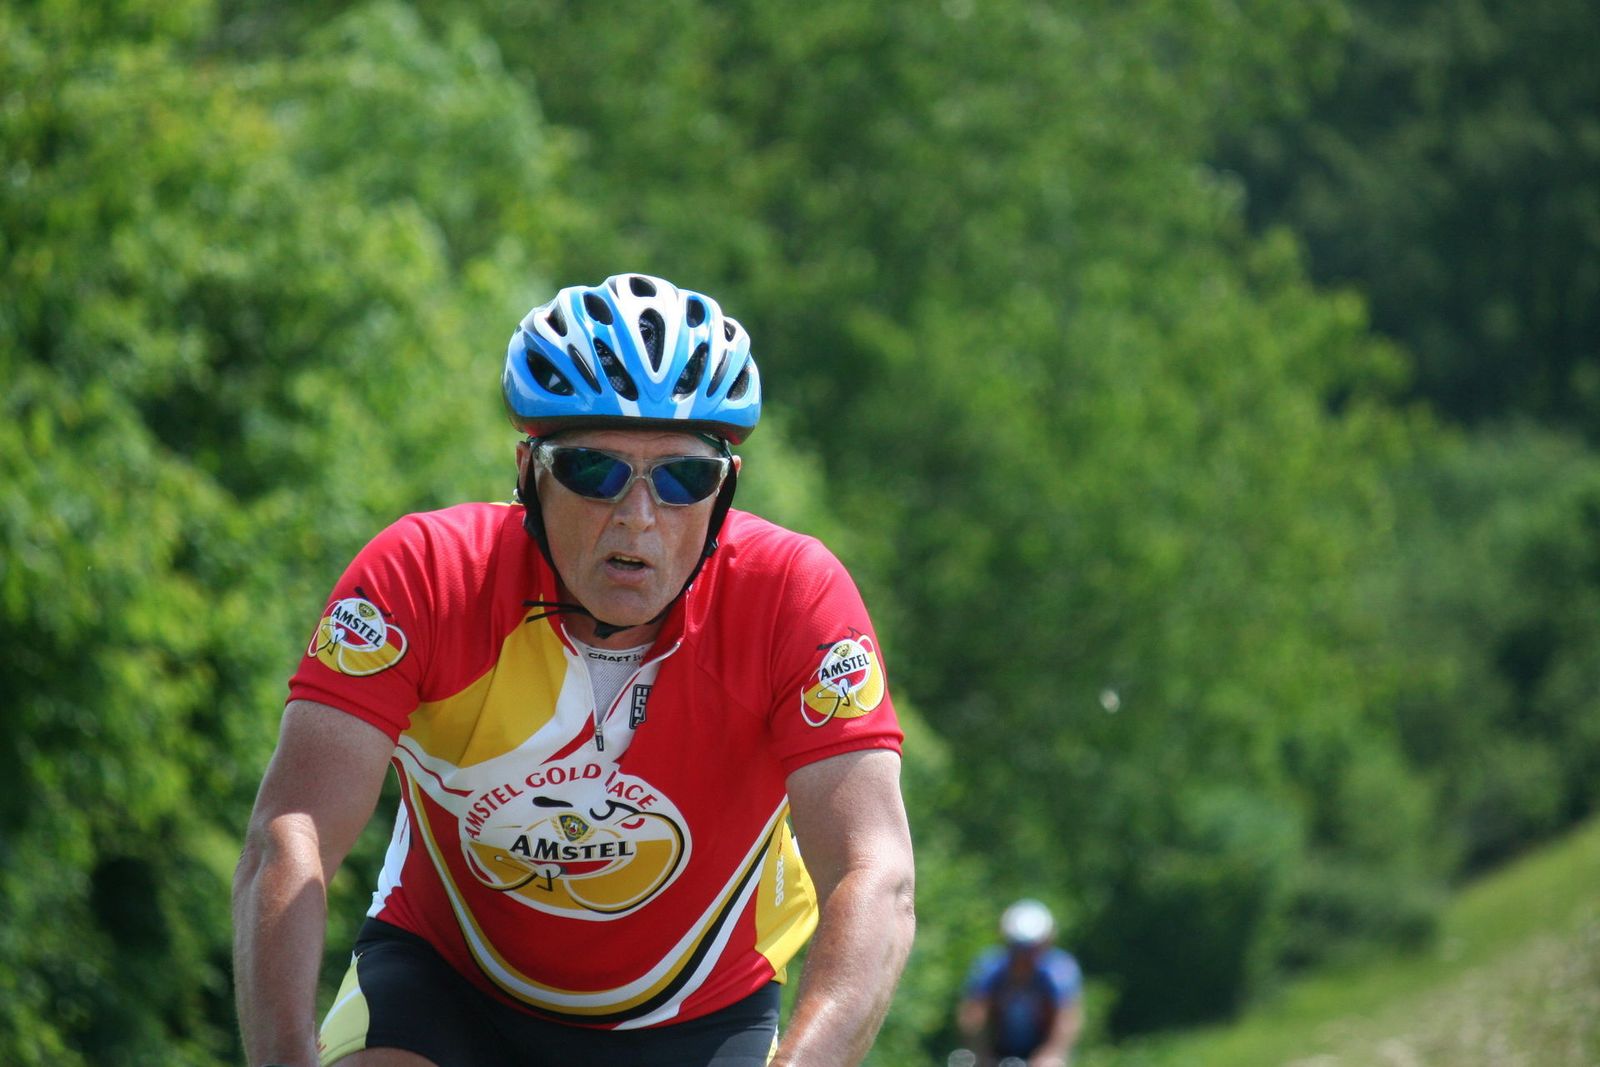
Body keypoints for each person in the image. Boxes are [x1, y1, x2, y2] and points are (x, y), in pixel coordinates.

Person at [232, 273, 916, 1067]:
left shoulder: (792, 599)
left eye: (684, 477)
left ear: (726, 490)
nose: (638, 515)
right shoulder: (425, 579)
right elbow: (292, 830)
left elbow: (874, 872)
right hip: (448, 980)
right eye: (594, 471)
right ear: (529, 472)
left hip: (697, 1011)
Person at [955, 900, 1083, 1067]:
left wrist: (1052, 1053)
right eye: (1018, 948)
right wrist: (980, 1052)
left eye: (1032, 949)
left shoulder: (1059, 970)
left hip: (1042, 1052)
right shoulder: (990, 966)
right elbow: (973, 1015)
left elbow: (1066, 1020)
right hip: (997, 1051)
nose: (1025, 955)